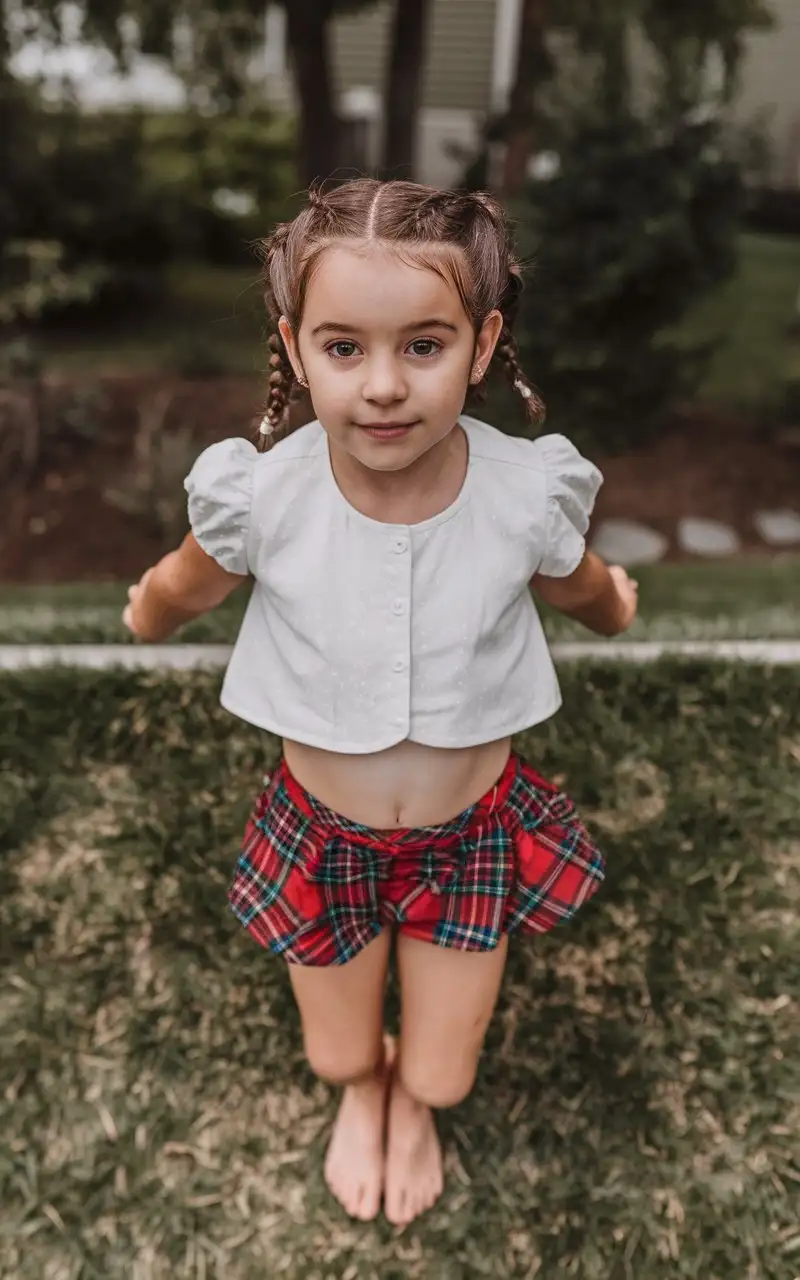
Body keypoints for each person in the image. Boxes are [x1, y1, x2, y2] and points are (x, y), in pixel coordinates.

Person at [123, 178, 638, 1228]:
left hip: (468, 836)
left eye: (423, 344)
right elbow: (187, 577)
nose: (383, 387)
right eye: (344, 347)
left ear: (483, 342)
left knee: (443, 1074)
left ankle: (417, 1100)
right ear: (296, 345)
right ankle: (366, 1086)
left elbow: (573, 578)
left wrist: (610, 601)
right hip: (322, 838)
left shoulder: (521, 491)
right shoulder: (262, 496)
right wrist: (151, 610)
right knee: (336, 1049)